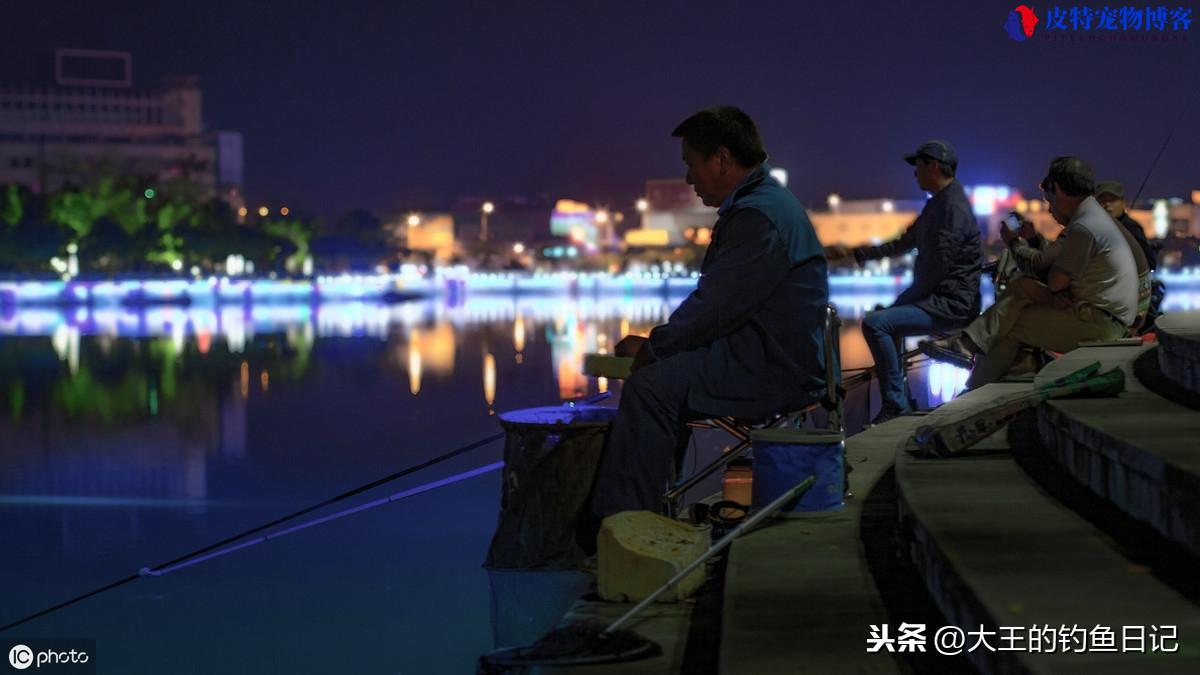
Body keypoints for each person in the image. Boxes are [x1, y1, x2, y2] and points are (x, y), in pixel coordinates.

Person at [588, 106, 829, 520]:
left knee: (650, 386)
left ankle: (621, 526)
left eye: (691, 164)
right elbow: (718, 305)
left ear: (721, 159)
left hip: (772, 367)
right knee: (663, 377)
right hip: (766, 353)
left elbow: (715, 308)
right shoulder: (762, 205)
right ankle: (650, 513)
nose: (688, 179)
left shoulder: (759, 217)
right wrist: (662, 347)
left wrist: (654, 348)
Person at [939, 157, 1138, 389]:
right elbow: (1057, 267)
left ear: (1059, 190)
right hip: (1102, 314)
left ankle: (973, 389)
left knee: (1010, 325)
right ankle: (969, 347)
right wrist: (1033, 240)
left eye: (1049, 199)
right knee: (1022, 289)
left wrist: (1015, 244)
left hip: (1100, 325)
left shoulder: (1083, 227)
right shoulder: (1092, 217)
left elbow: (1054, 281)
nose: (1049, 207)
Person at [826, 140, 981, 424]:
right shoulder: (941, 204)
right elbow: (905, 243)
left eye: (918, 167)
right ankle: (900, 397)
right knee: (884, 319)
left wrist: (907, 299)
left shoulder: (951, 209)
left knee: (876, 323)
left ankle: (896, 404)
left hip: (950, 304)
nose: (914, 174)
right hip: (941, 298)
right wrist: (857, 254)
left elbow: (938, 269)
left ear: (933, 166)